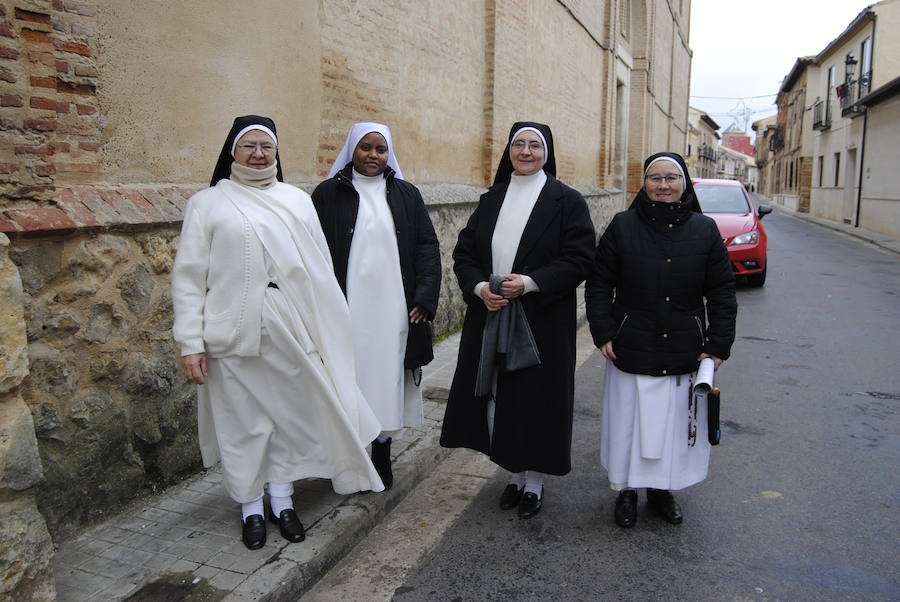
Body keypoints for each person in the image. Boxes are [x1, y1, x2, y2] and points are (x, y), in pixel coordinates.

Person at [172, 115, 384, 551]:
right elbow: (189, 277)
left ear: (276, 152)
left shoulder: (296, 200)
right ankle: (251, 506)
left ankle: (282, 500)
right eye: (248, 146)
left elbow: (320, 271)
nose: (258, 154)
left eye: (266, 146)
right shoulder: (207, 203)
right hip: (229, 331)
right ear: (232, 150)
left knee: (288, 417)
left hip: (290, 326)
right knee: (242, 423)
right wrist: (190, 343)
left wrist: (327, 329)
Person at [440, 122, 595, 519]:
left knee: (536, 399)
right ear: (509, 151)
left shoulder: (567, 201)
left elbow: (579, 259)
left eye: (535, 145)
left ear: (547, 152)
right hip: (493, 311)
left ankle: (535, 481)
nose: (526, 152)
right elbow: (464, 254)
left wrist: (528, 283)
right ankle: (513, 473)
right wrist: (478, 288)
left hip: (541, 316)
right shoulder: (492, 198)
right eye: (519, 144)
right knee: (501, 395)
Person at [585, 151, 737, 528]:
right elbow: (600, 282)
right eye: (656, 178)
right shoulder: (622, 226)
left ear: (684, 183)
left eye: (672, 178)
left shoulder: (704, 230)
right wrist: (603, 330)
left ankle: (662, 491)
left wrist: (717, 344)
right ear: (645, 184)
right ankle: (625, 491)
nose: (664, 185)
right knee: (628, 425)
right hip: (630, 344)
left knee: (671, 428)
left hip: (683, 345)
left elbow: (721, 291)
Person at [312, 122, 441, 490]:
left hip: (394, 310)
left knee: (385, 378)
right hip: (346, 307)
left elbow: (427, 248)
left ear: (389, 154)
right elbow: (312, 250)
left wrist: (425, 299)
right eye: (365, 147)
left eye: (380, 149)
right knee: (347, 377)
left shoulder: (406, 195)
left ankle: (381, 449)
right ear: (352, 148)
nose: (373, 155)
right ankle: (350, 453)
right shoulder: (327, 194)